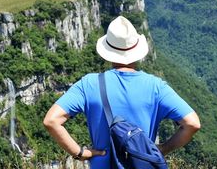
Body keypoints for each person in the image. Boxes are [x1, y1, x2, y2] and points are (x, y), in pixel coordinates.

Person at [43, 16, 201, 168]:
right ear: (137, 51)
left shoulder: (89, 84)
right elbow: (192, 124)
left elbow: (51, 121)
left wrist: (80, 153)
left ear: (108, 50)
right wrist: (163, 149)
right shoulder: (156, 86)